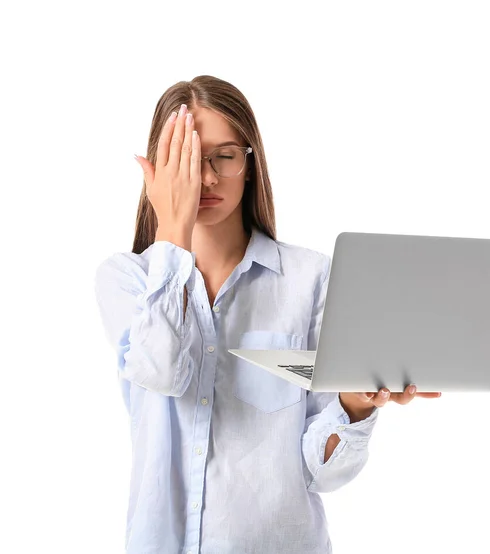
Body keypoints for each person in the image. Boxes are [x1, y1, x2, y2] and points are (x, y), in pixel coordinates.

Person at [94, 75, 441, 554]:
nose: (208, 178)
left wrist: (354, 405)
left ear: (251, 163)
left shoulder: (311, 278)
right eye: (190, 162)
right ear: (158, 172)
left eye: (225, 156)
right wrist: (171, 228)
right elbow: (163, 371)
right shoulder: (127, 279)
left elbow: (322, 474)